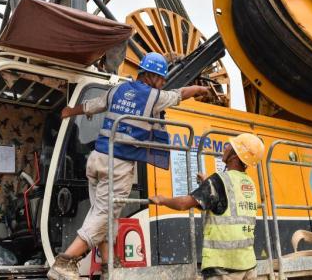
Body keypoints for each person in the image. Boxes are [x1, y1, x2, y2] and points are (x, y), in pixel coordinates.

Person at [47, 52, 210, 279]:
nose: (163, 83)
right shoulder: (154, 96)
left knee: (103, 214)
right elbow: (180, 94)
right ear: (152, 76)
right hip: (118, 165)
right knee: (104, 215)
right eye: (161, 78)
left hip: (96, 159)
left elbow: (92, 105)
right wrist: (200, 90)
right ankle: (65, 261)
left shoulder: (117, 90)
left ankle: (109, 265)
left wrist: (69, 112)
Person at [150, 133, 264, 280]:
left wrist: (162, 200)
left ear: (235, 156)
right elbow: (227, 202)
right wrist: (208, 183)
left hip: (224, 268)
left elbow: (184, 204)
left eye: (229, 146)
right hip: (248, 265)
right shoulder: (249, 183)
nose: (225, 148)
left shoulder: (218, 181)